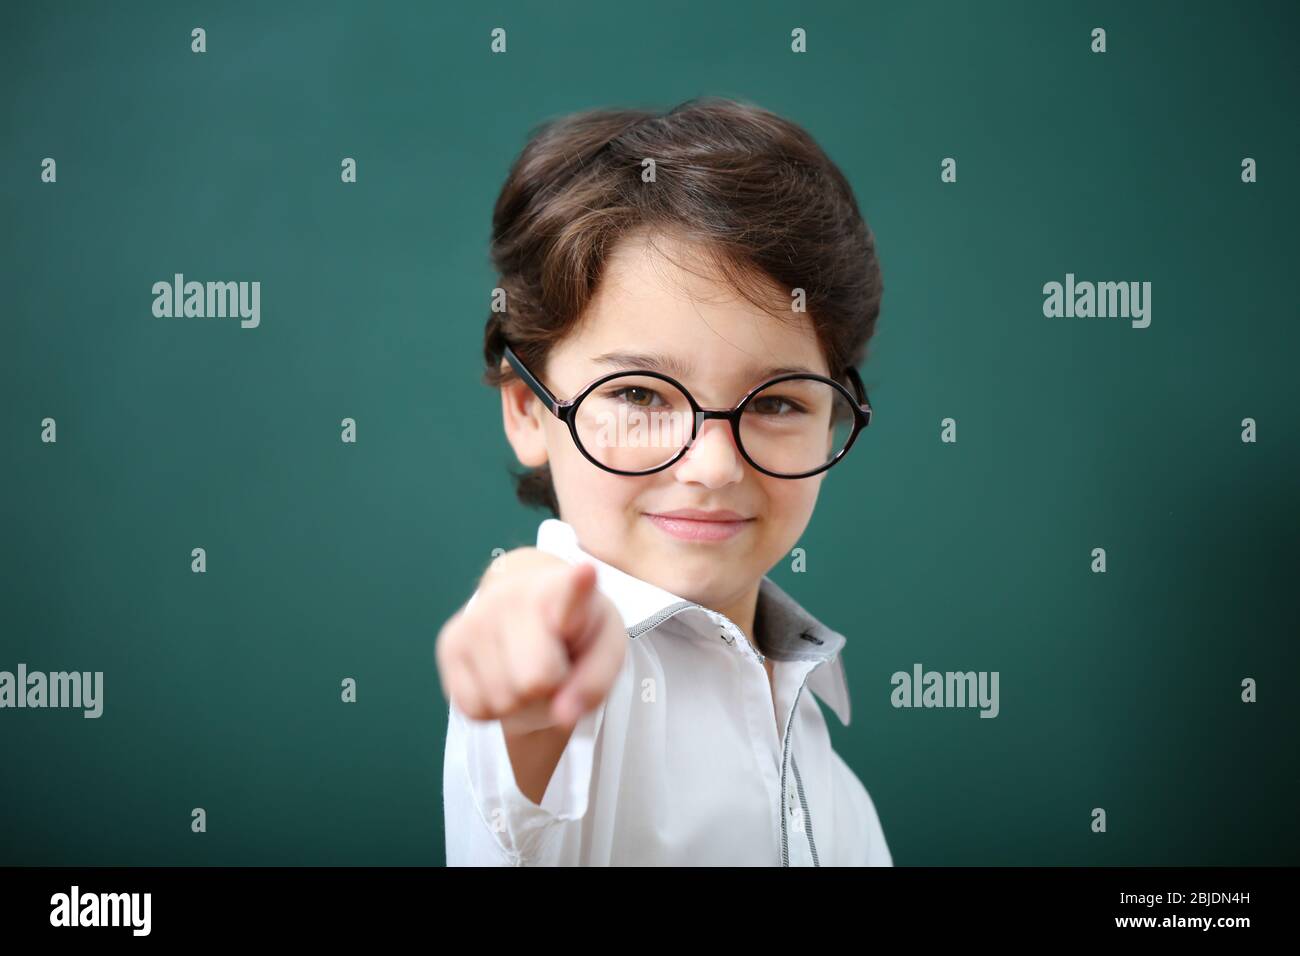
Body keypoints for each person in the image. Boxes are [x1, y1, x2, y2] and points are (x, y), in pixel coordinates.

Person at [437, 96, 891, 866]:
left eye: (777, 402)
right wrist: (517, 610)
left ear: (833, 418)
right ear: (527, 408)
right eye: (640, 395)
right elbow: (525, 627)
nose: (714, 466)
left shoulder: (820, 746)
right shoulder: (570, 674)